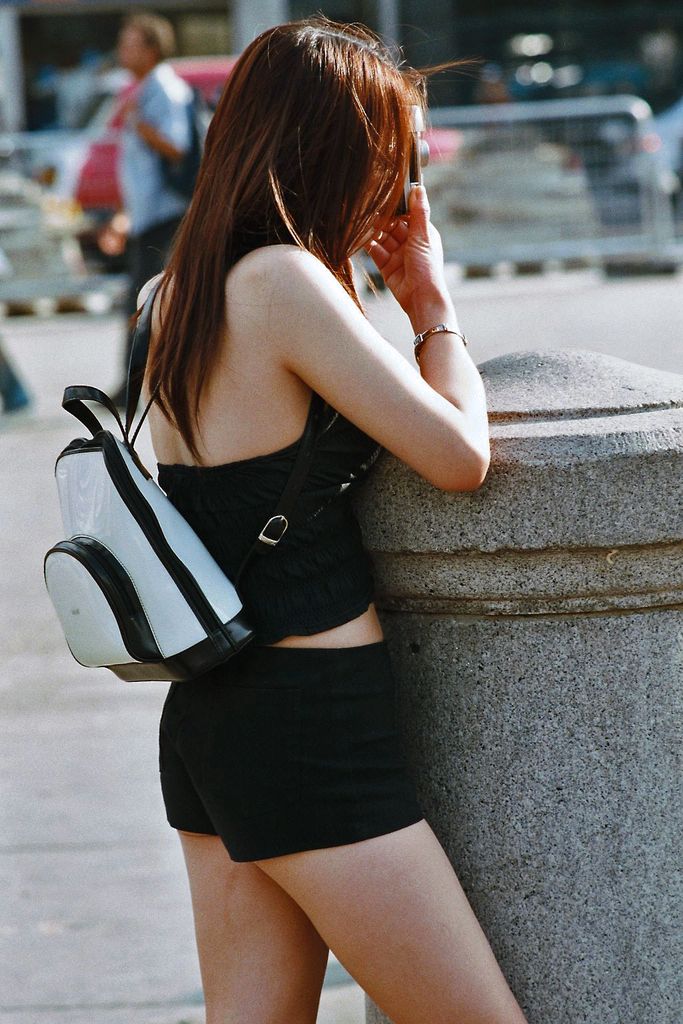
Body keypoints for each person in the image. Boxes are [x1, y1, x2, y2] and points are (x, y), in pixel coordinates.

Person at [140, 18, 529, 1024]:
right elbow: (455, 455)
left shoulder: (171, 293)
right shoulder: (281, 283)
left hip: (213, 712)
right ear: (338, 150)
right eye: (392, 155)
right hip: (309, 722)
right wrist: (431, 307)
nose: (396, 183)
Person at [98, 12, 192, 407]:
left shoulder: (165, 90)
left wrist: (143, 128)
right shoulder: (142, 89)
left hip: (165, 215)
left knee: (147, 301)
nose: (122, 49)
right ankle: (134, 382)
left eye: (130, 42)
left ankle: (140, 385)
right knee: (141, 300)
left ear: (151, 48)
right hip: (147, 214)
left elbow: (179, 146)